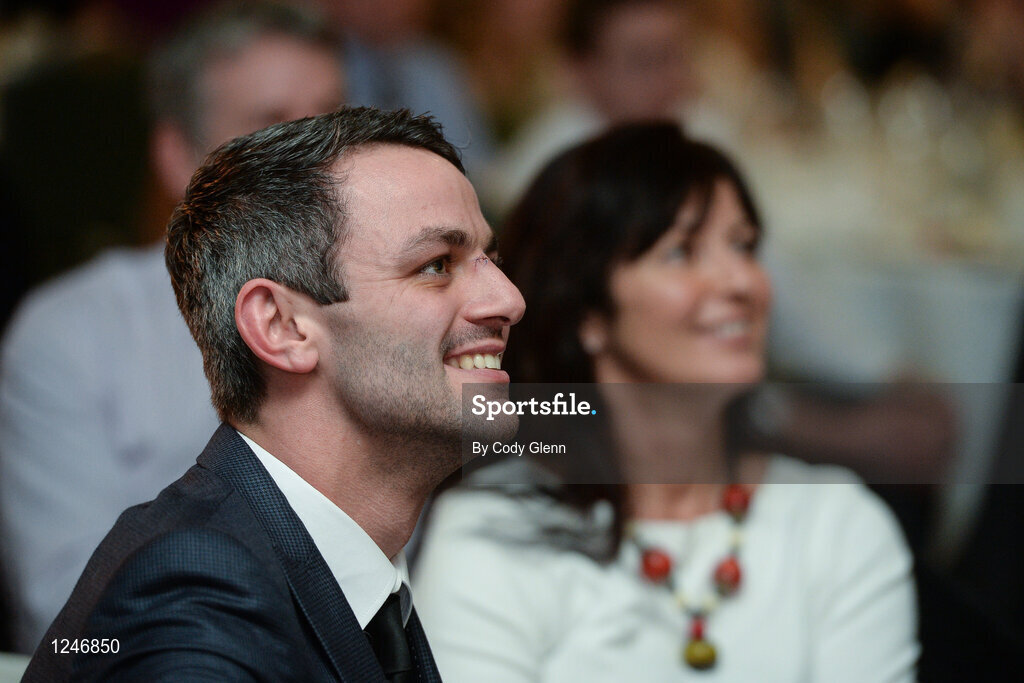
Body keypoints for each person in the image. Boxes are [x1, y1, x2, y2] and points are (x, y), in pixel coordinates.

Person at [21, 104, 525, 681]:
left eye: (492, 258)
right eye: (437, 264)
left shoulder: (318, 570)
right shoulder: (196, 592)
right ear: (281, 328)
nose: (508, 299)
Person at [413, 123, 918, 681]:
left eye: (744, 246)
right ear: (588, 313)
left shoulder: (835, 524)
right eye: (681, 252)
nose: (741, 281)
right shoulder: (496, 532)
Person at [0, 0, 345, 653]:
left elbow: (540, 436)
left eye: (334, 123)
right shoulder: (71, 333)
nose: (318, 161)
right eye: (271, 128)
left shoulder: (405, 304)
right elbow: (67, 610)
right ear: (177, 156)